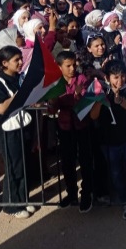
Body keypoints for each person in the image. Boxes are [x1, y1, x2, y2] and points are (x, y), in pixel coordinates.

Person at [89, 59, 126, 220]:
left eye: (122, 76)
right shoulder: (99, 90)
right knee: (116, 174)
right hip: (109, 141)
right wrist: (99, 101)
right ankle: (125, 202)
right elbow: (93, 116)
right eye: (115, 77)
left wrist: (119, 100)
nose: (119, 81)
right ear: (107, 78)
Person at [0, 46, 35, 219]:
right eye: (16, 60)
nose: (21, 62)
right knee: (13, 167)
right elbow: (0, 108)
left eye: (21, 58)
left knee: (24, 164)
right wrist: (17, 96)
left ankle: (22, 199)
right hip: (8, 131)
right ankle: (12, 205)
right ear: (4, 63)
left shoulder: (20, 78)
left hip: (23, 126)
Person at [49, 50, 95, 213]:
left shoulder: (81, 79)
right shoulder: (56, 83)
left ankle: (87, 194)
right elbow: (52, 109)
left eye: (74, 65)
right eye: (68, 66)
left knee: (85, 160)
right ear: (59, 67)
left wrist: (77, 96)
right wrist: (53, 101)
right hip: (65, 126)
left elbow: (86, 101)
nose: (72, 68)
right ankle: (71, 193)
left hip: (82, 125)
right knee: (67, 161)